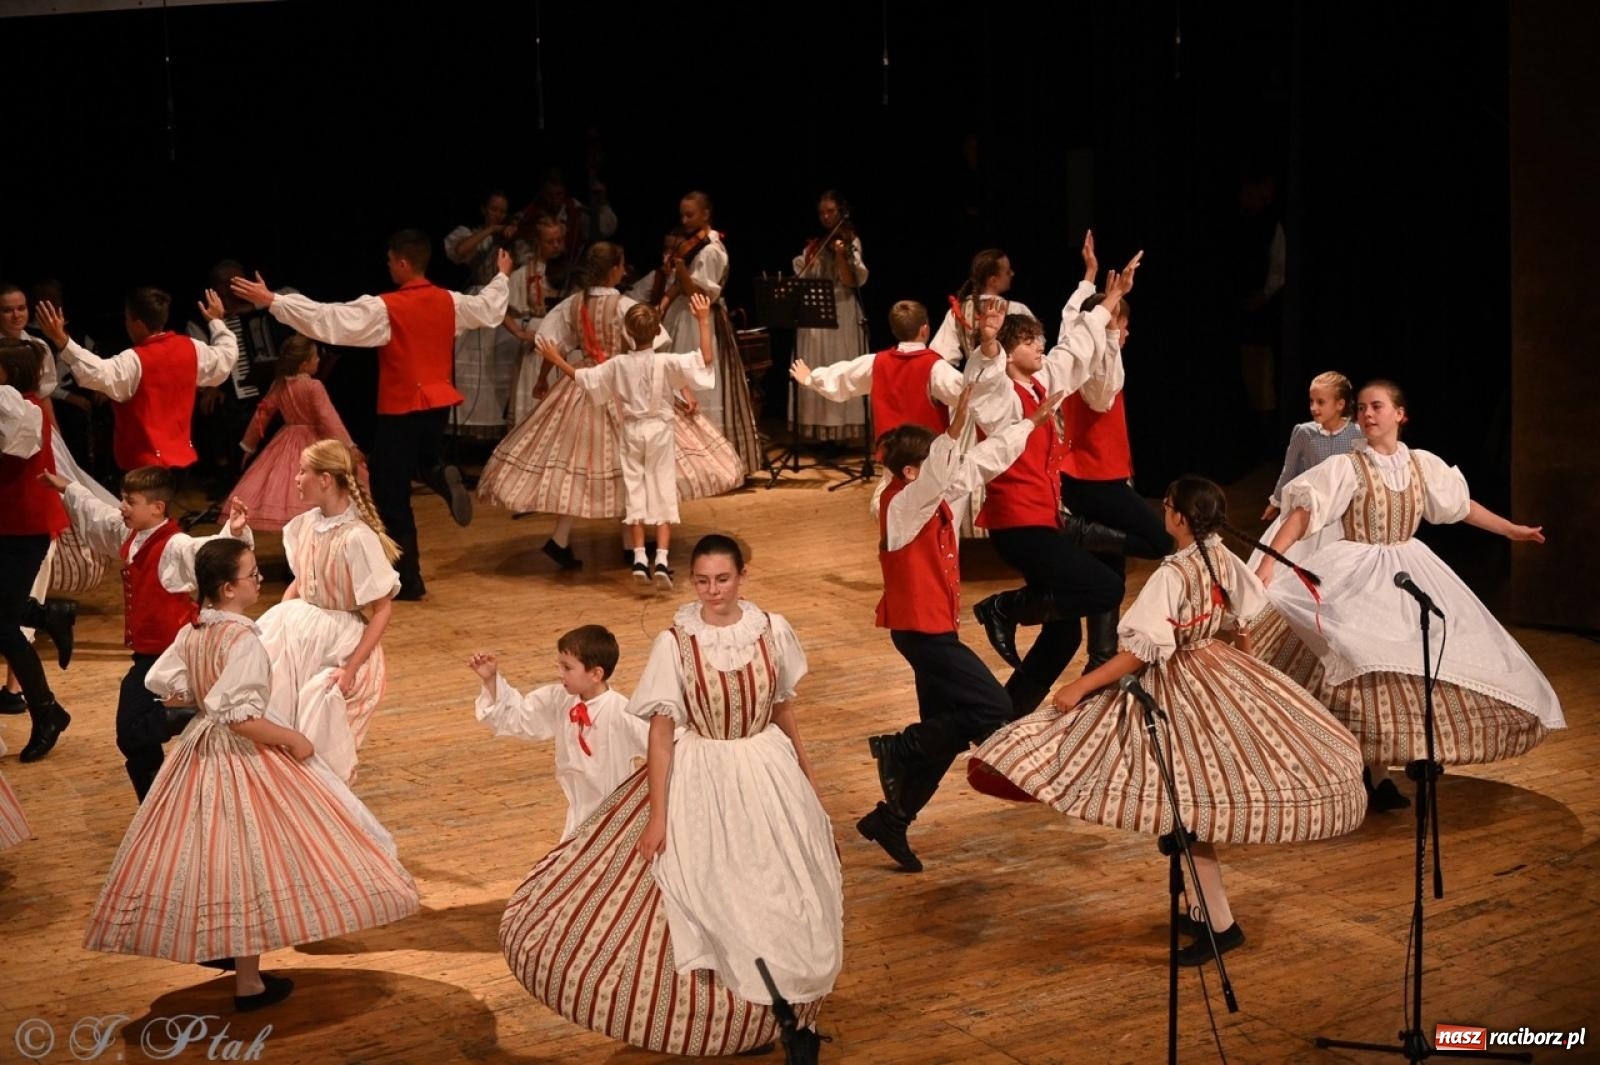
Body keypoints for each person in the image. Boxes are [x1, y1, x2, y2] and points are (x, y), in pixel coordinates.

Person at [970, 476, 1366, 965]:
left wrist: (1080, 686)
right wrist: (1250, 669)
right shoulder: (1219, 556)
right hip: (1215, 671)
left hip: (1180, 682)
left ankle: (1220, 925)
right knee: (1184, 798)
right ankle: (1202, 908)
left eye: (1168, 506)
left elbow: (1139, 653)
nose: (1163, 512)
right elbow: (1243, 619)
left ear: (1179, 517)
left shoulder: (1173, 575)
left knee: (1185, 813)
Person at [500, 535, 840, 1061]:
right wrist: (657, 817)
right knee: (723, 899)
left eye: (722, 579)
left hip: (767, 770)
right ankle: (754, 1019)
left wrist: (808, 776)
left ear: (742, 577)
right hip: (705, 776)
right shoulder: (675, 641)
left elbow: (782, 707)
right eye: (702, 581)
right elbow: (661, 734)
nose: (712, 591)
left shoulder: (772, 631)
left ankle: (791, 1017)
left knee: (788, 893)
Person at [83, 539, 419, 1011]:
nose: (260, 581)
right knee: (256, 858)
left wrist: (202, 694)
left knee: (229, 863)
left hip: (200, 750)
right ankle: (246, 980)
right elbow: (240, 718)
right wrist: (292, 739)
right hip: (242, 755)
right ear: (228, 588)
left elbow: (164, 683)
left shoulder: (194, 631)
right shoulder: (241, 640)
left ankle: (248, 981)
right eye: (252, 576)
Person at [1252, 380, 1564, 809]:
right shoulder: (1347, 467)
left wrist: (1511, 530)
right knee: (1364, 665)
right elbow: (1304, 516)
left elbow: (1461, 506)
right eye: (1361, 408)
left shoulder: (1421, 466)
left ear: (1400, 414)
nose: (1367, 415)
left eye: (1377, 407)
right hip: (1357, 571)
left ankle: (1398, 759)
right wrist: (1270, 561)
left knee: (1416, 662)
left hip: (1408, 572)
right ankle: (1369, 771)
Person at [232, 230, 510, 600]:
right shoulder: (450, 301)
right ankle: (440, 471)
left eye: (391, 261)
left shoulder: (386, 308)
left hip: (403, 407)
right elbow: (489, 308)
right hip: (439, 407)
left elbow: (331, 319)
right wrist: (502, 276)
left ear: (402, 263)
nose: (388, 266)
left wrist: (274, 302)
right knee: (422, 459)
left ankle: (408, 579)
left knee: (390, 493)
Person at [859, 380, 1064, 873]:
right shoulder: (904, 504)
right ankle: (899, 746)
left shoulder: (931, 493)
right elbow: (944, 469)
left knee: (945, 734)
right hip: (921, 634)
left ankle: (893, 818)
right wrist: (954, 424)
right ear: (912, 471)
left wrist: (1029, 424)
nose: (945, 468)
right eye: (933, 462)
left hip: (934, 631)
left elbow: (983, 461)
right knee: (992, 707)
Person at [47, 463, 252, 792]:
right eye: (124, 499)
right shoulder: (131, 534)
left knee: (131, 732)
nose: (122, 507)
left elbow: (210, 553)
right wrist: (67, 487)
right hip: (148, 656)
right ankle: (159, 801)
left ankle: (190, 711)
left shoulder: (175, 546)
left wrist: (234, 533)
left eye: (130, 501)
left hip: (172, 657)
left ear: (157, 507)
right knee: (134, 740)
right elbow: (98, 512)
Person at [1049, 232, 1175, 674]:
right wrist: (1106, 327)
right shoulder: (1092, 360)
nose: (1125, 332)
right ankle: (1077, 531)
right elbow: (1102, 397)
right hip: (1091, 475)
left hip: (1101, 472)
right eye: (1121, 324)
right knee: (1163, 541)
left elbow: (1070, 318)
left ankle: (1100, 659)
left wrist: (1088, 277)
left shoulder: (1074, 343)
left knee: (1109, 575)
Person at [535, 296, 715, 587]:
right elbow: (705, 360)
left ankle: (641, 557)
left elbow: (585, 379)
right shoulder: (665, 360)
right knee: (662, 489)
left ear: (627, 334)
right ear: (658, 333)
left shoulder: (619, 364)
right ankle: (663, 560)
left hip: (632, 431)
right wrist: (703, 320)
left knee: (635, 490)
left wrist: (557, 360)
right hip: (659, 431)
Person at [256, 439, 399, 785]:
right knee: (272, 701)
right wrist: (279, 623)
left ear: (325, 480)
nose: (296, 478)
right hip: (298, 626)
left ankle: (320, 795)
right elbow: (301, 581)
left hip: (336, 637)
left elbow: (382, 608)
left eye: (302, 471)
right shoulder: (304, 525)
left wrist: (351, 668)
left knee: (315, 716)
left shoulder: (356, 537)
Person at [467, 624, 645, 840]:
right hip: (579, 817)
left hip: (616, 819)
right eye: (559, 666)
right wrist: (490, 680)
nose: (560, 674)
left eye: (567, 668)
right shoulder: (560, 699)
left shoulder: (622, 712)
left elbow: (665, 746)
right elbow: (520, 718)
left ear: (596, 674)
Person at [36, 288, 239, 471]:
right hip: (180, 455)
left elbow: (95, 373)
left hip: (142, 461)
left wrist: (61, 339)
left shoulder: (134, 360)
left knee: (145, 511)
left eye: (127, 318)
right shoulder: (191, 348)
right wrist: (216, 321)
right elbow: (227, 356)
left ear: (138, 324)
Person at [0, 340, 73, 762]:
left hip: (21, 527)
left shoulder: (21, 409)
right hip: (7, 523)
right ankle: (46, 614)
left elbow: (17, 448)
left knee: (1, 626)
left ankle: (47, 712)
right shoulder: (15, 404)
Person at [659, 192, 763, 475]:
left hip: (700, 320)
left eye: (690, 215)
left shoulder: (711, 250)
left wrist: (680, 272)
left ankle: (710, 464)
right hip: (683, 317)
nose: (684, 220)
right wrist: (664, 302)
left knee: (699, 382)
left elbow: (699, 294)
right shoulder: (692, 246)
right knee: (678, 381)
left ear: (706, 214)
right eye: (681, 215)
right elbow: (679, 286)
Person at [229, 336, 364, 531]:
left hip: (287, 440)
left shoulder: (280, 385)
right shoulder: (313, 386)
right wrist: (348, 447)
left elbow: (262, 414)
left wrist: (249, 444)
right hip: (314, 441)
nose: (319, 360)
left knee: (288, 487)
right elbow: (328, 419)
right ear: (303, 364)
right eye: (315, 357)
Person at [792, 191, 869, 443]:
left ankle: (841, 433)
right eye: (822, 213)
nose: (825, 217)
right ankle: (820, 433)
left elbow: (850, 280)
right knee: (817, 363)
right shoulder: (816, 243)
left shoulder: (850, 241)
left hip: (841, 310)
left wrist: (839, 255)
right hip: (816, 310)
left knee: (838, 365)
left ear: (841, 212)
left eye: (830, 212)